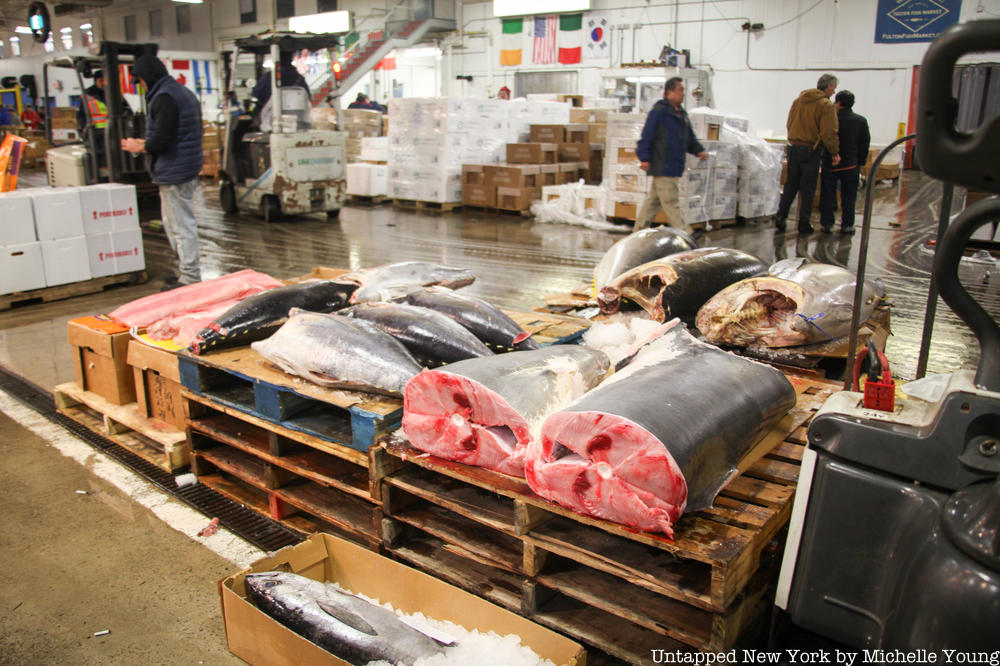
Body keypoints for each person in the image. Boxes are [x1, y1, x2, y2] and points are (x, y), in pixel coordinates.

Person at [121, 54, 204, 288]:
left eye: (141, 81)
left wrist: (141, 146)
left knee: (180, 225)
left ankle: (189, 278)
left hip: (175, 169)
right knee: (173, 223)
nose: (141, 86)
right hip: (183, 166)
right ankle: (185, 272)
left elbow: (162, 139)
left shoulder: (165, 98)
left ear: (147, 77)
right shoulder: (179, 92)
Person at [634, 77, 708, 234]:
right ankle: (686, 233)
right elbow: (647, 135)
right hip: (662, 164)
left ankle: (638, 232)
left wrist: (699, 150)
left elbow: (689, 139)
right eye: (680, 90)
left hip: (674, 165)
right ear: (669, 93)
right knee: (670, 201)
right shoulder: (659, 112)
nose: (683, 94)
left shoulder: (682, 115)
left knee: (653, 203)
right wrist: (644, 157)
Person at [774, 73, 840, 233]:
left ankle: (781, 217)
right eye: (834, 88)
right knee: (808, 188)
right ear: (829, 86)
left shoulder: (798, 101)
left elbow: (789, 122)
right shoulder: (826, 105)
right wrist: (834, 152)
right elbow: (828, 131)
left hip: (794, 147)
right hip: (811, 149)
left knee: (791, 184)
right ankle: (804, 223)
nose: (834, 91)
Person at [819, 90, 870, 235]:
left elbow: (825, 138)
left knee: (828, 195)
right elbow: (864, 142)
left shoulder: (830, 119)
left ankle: (827, 223)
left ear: (839, 103)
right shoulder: (860, 121)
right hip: (851, 165)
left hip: (831, 164)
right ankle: (847, 224)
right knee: (849, 196)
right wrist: (861, 161)